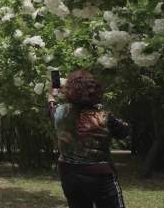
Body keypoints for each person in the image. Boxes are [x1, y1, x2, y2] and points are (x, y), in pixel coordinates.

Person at [48, 70, 130, 208]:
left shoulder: (60, 113)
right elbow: (124, 132)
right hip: (100, 176)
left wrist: (53, 93)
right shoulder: (104, 116)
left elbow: (51, 106)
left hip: (69, 175)